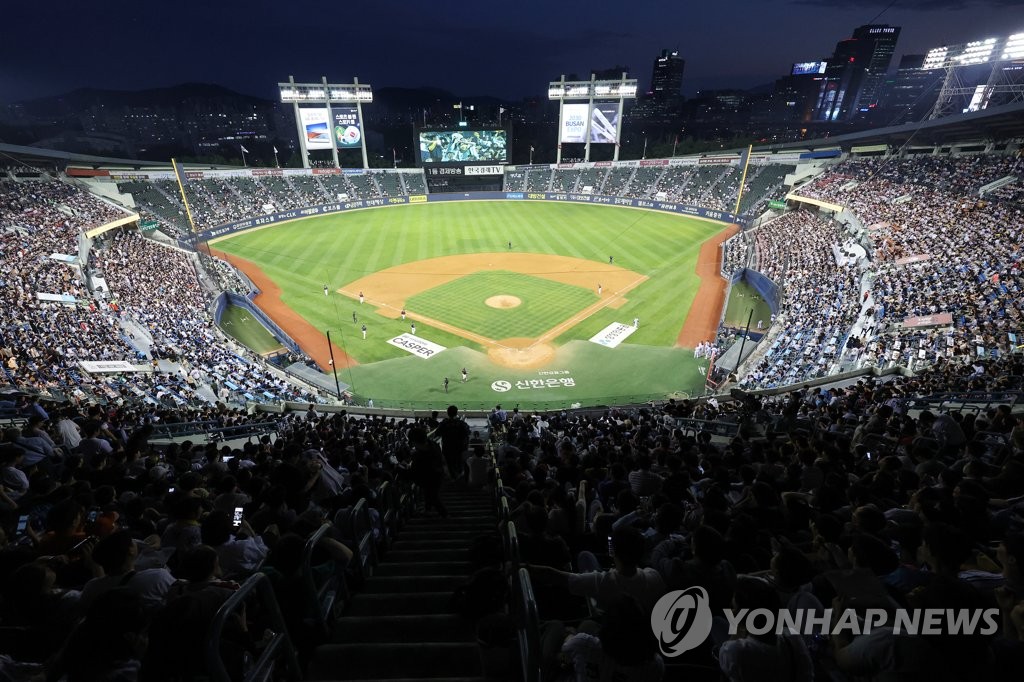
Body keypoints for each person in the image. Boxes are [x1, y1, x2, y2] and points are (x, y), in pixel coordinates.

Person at [435, 405, 470, 480]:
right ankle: (460, 477)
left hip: (447, 448)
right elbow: (468, 432)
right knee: (459, 462)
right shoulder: (461, 423)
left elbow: (437, 433)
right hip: (459, 448)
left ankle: (453, 477)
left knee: (450, 464)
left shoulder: (444, 423)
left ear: (447, 413)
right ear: (456, 413)